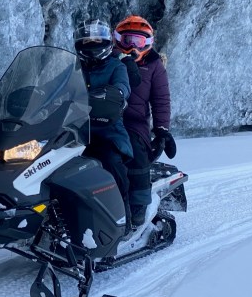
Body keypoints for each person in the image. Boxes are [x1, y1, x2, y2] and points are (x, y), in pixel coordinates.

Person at [113, 15, 176, 228]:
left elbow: (161, 99)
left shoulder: (154, 64)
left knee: (136, 155)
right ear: (117, 39)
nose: (132, 46)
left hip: (133, 122)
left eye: (138, 41)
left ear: (147, 44)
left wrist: (161, 130)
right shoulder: (108, 59)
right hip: (101, 118)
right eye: (127, 40)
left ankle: (138, 208)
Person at [73, 19, 134, 235]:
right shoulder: (73, 67)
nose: (92, 44)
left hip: (107, 132)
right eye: (86, 40)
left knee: (110, 163)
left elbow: (123, 88)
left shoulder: (116, 66)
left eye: (97, 40)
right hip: (73, 133)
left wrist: (113, 95)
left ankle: (123, 218)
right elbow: (56, 86)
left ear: (106, 41)